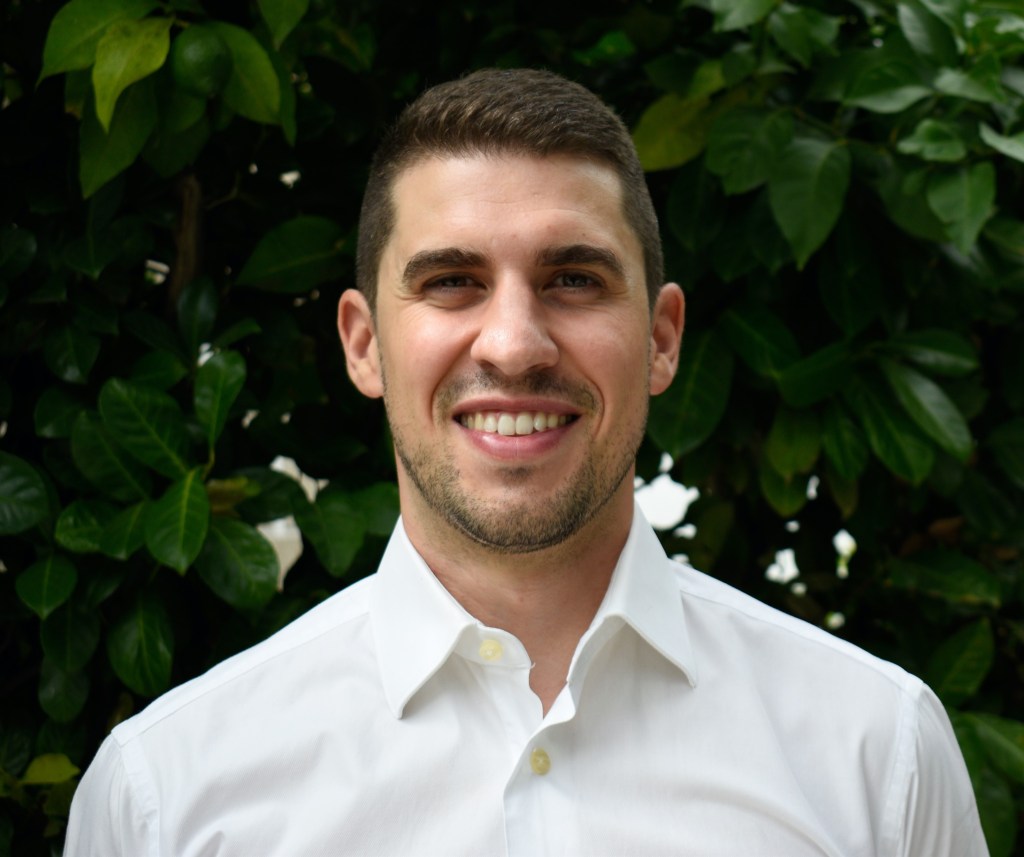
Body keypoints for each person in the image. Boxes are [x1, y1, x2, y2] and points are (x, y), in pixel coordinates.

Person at [65, 68, 987, 857]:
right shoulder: (165, 796)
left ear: (662, 338)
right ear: (364, 345)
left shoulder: (878, 751)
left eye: (574, 279)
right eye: (451, 282)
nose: (513, 345)